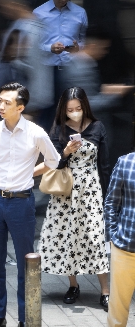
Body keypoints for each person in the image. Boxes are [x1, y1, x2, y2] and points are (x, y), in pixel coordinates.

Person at [0, 82, 60, 327]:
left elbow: (54, 160)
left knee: (27, 264)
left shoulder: (36, 133)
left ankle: (26, 319)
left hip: (22, 202)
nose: (1, 106)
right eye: (0, 100)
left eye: (7, 102)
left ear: (20, 107)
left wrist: (31, 172)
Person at [39, 87, 110, 309]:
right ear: (64, 110)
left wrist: (107, 197)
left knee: (95, 237)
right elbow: (53, 163)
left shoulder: (97, 127)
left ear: (85, 107)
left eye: (78, 108)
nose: (75, 113)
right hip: (66, 191)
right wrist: (67, 151)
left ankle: (105, 290)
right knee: (69, 236)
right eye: (70, 110)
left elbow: (104, 164)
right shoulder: (58, 130)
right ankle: (73, 284)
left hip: (91, 189)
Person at [0, 0, 53, 117]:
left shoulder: (27, 30)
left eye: (3, 6)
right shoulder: (38, 25)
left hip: (27, 100)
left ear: (15, 5)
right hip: (34, 98)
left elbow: (24, 65)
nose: (1, 11)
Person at [103, 150, 135, 327]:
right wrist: (114, 236)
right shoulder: (125, 162)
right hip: (125, 245)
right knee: (118, 304)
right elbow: (111, 202)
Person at [33, 0, 88, 100]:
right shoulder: (38, 13)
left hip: (73, 70)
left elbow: (85, 40)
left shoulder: (80, 13)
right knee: (49, 112)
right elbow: (32, 45)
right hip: (47, 71)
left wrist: (78, 48)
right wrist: (49, 48)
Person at [59, 27, 134, 114]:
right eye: (104, 48)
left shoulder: (72, 62)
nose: (105, 52)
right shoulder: (83, 69)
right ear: (93, 46)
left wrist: (105, 90)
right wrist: (117, 93)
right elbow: (87, 104)